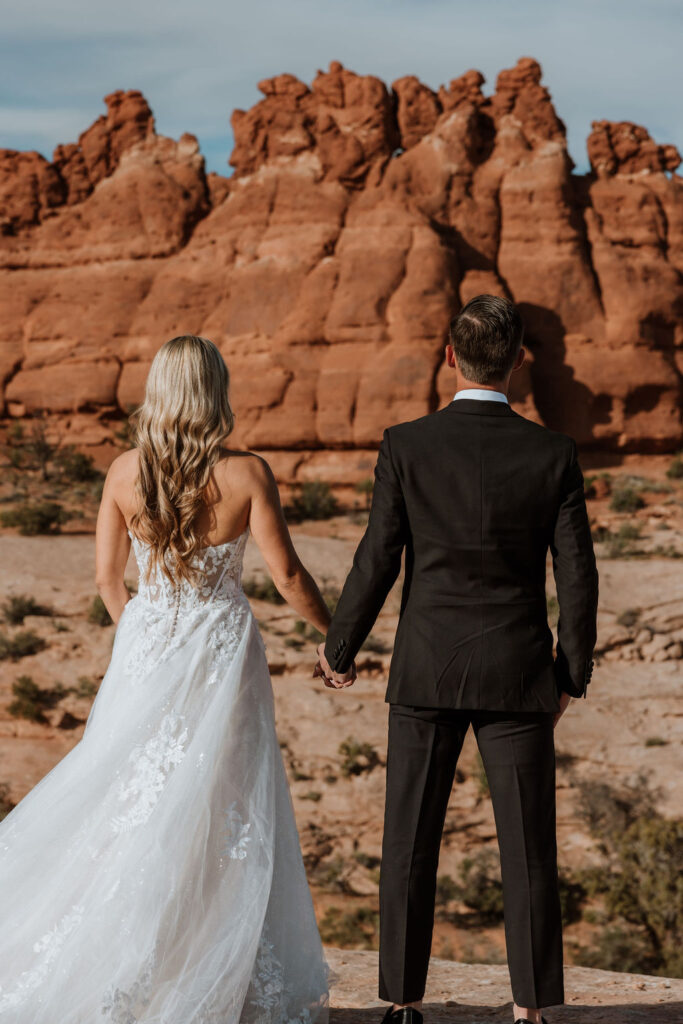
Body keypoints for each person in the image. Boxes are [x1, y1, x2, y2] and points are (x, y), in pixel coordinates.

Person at [0, 335, 333, 1024]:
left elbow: (105, 578)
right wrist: (337, 637)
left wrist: (146, 634)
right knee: (221, 802)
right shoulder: (247, 474)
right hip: (219, 650)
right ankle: (205, 972)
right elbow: (289, 577)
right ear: (215, 391)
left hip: (148, 647)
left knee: (130, 794)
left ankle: (138, 968)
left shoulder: (124, 471)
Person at [315, 295, 599, 1024]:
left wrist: (339, 647)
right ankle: (531, 1010)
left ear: (449, 356)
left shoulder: (405, 445)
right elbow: (576, 574)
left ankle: (404, 1004)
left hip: (425, 670)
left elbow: (377, 557)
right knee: (529, 848)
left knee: (408, 838)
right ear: (517, 362)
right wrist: (570, 672)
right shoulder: (552, 452)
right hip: (518, 672)